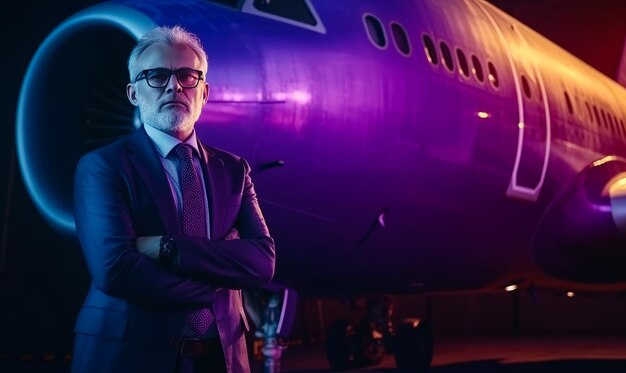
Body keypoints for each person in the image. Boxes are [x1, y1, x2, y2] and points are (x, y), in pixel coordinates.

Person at [71, 25, 275, 373]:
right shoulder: (102, 166)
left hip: (222, 358)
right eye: (156, 76)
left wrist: (168, 249)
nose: (174, 85)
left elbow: (262, 262)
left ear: (204, 91)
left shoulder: (234, 170)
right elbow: (115, 270)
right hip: (128, 358)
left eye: (187, 75)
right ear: (133, 93)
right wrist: (214, 288)